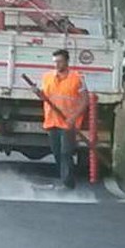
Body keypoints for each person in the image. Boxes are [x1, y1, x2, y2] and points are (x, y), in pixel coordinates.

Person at [41, 49, 88, 190]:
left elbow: (85, 101)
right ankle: (66, 180)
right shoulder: (47, 77)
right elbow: (46, 96)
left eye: (60, 61)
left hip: (68, 123)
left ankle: (67, 183)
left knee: (66, 152)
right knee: (56, 152)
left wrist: (73, 117)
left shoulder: (77, 78)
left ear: (67, 62)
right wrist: (38, 93)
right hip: (51, 121)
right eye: (55, 62)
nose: (57, 64)